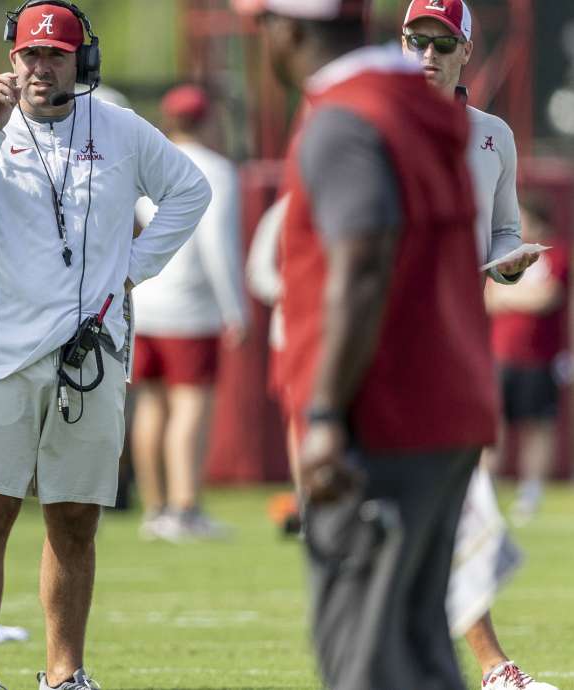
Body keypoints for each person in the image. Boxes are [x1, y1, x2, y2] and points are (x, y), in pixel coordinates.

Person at [0, 1, 211, 687]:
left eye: (55, 53)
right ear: (11, 58)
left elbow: (188, 192)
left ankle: (64, 672)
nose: (41, 66)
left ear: (83, 58)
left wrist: (134, 269)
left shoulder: (119, 125)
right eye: (29, 54)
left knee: (74, 518)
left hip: (89, 354)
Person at [238, 0, 502, 687]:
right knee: (418, 649)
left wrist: (324, 415)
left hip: (382, 416)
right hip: (447, 407)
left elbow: (361, 264)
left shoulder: (346, 115)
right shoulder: (427, 109)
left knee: (364, 658)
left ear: (288, 29)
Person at [401, 4, 558, 688]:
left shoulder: (491, 135)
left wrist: (509, 261)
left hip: (454, 344)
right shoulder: (370, 122)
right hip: (381, 342)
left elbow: (503, 230)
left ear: (466, 52)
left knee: (461, 506)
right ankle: (480, 666)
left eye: (442, 43)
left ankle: (487, 665)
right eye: (416, 40)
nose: (428, 54)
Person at [131, 84, 246, 542]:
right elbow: (218, 244)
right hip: (190, 306)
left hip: (144, 298)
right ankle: (185, 507)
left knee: (150, 405)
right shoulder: (217, 169)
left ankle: (154, 508)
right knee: (190, 405)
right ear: (208, 120)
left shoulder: (148, 164)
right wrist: (235, 309)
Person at [486, 201, 567, 526]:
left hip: (540, 360)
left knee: (538, 426)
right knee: (494, 426)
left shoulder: (557, 255)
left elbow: (548, 297)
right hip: (500, 356)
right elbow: (490, 298)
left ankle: (530, 493)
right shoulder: (503, 259)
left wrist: (510, 299)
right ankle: (486, 492)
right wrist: (517, 299)